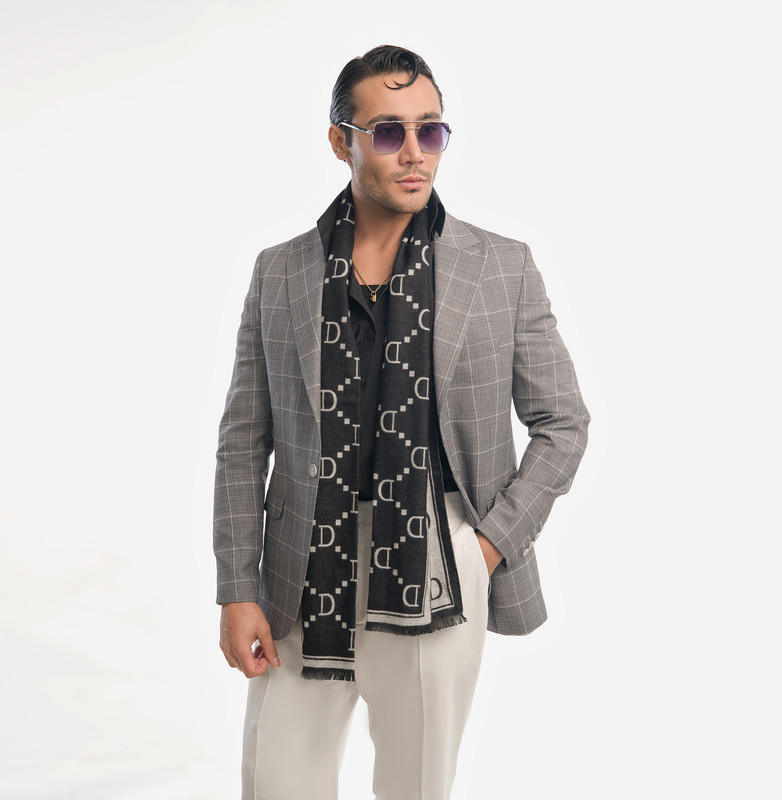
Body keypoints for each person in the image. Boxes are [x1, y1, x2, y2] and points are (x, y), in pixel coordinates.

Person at [214, 44, 589, 800]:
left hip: (440, 560)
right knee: (277, 782)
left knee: (415, 788)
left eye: (431, 130)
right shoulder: (280, 271)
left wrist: (485, 548)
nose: (415, 152)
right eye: (389, 131)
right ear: (341, 141)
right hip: (300, 564)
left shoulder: (501, 266)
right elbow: (243, 441)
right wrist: (235, 586)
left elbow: (563, 424)